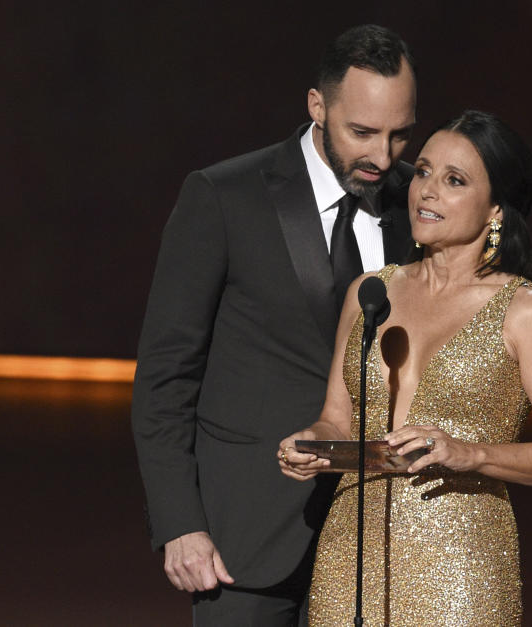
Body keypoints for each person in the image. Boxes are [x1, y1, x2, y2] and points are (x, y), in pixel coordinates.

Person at [131, 25, 417, 626]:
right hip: (247, 533)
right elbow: (166, 375)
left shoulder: (415, 205)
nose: (382, 157)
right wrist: (180, 521)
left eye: (398, 134)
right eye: (362, 132)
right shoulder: (223, 196)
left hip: (383, 537)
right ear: (317, 105)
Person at [277, 110, 532, 625]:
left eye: (454, 181)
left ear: (495, 209)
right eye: (422, 172)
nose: (426, 191)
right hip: (351, 554)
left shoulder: (522, 308)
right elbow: (336, 419)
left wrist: (468, 452)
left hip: (460, 566)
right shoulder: (370, 293)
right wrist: (312, 447)